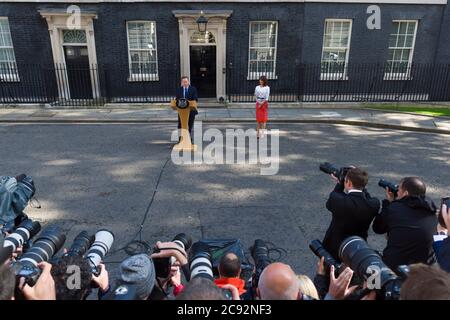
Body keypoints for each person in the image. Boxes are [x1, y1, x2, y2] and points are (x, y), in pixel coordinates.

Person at [372, 177, 437, 271]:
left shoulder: (394, 208)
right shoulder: (432, 210)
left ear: (405, 193)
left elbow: (377, 228)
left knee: (370, 262)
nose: (397, 191)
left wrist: (388, 204)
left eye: (399, 189)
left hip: (395, 267)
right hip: (424, 269)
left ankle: (372, 286)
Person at [322, 167, 380, 260]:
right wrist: (359, 180)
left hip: (334, 247)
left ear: (348, 182)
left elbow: (332, 199)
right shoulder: (374, 204)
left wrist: (340, 183)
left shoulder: (338, 200)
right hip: (358, 246)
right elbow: (366, 196)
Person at [175, 76, 198, 142]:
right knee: (180, 125)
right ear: (181, 83)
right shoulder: (179, 89)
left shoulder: (193, 89)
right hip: (182, 111)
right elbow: (177, 100)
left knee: (189, 125)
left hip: (191, 110)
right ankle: (180, 139)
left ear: (188, 82)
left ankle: (188, 138)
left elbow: (195, 99)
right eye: (183, 82)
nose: (185, 83)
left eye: (186, 82)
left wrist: (187, 102)